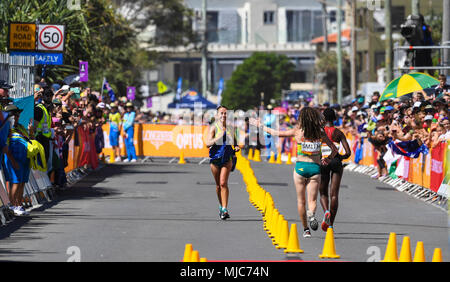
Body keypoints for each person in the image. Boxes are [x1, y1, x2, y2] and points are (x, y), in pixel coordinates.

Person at [251, 107, 338, 237]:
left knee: (300, 201)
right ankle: (312, 216)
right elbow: (334, 149)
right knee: (312, 200)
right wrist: (328, 159)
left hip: (300, 168)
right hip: (315, 168)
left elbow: (275, 133)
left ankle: (306, 230)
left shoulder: (297, 132)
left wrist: (260, 125)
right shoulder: (320, 133)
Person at [319, 108, 352, 232]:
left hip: (323, 161)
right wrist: (340, 158)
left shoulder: (320, 132)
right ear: (334, 118)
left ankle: (326, 211)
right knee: (334, 194)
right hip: (336, 162)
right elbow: (348, 152)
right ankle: (331, 224)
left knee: (322, 192)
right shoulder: (339, 133)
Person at [206, 105, 240, 220]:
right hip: (215, 159)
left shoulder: (230, 128)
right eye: (221, 113)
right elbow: (207, 143)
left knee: (223, 183)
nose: (224, 115)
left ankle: (225, 209)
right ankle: (220, 206)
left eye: (225, 113)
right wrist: (218, 138)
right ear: (217, 115)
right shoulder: (213, 128)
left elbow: (235, 142)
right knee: (217, 186)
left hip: (227, 158)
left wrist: (236, 147)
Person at [2, 105, 32, 216]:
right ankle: (12, 205)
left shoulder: (21, 127)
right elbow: (5, 145)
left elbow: (30, 140)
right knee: (15, 182)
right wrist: (12, 160)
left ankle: (19, 204)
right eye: (15, 114)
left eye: (18, 114)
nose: (18, 116)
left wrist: (31, 132)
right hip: (13, 158)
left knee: (22, 182)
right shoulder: (6, 128)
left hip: (25, 159)